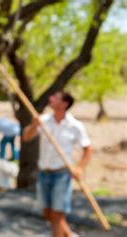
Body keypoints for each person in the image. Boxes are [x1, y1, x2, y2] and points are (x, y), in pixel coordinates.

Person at [23, 91, 92, 237]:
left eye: (56, 98)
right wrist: (34, 126)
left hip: (62, 173)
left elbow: (88, 148)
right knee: (47, 212)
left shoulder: (75, 125)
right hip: (44, 172)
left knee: (57, 213)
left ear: (64, 104)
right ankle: (69, 235)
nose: (51, 99)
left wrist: (79, 168)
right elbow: (27, 137)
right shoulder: (43, 121)